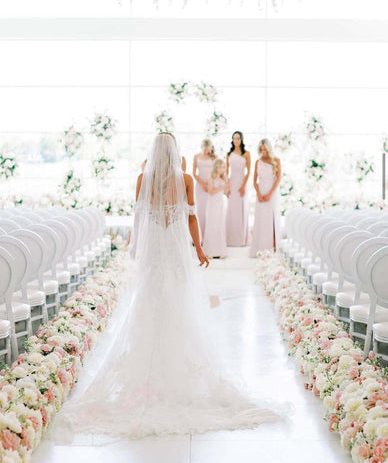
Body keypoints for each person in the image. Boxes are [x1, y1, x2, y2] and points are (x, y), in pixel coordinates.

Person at [48, 133, 289, 441]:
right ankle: (178, 375)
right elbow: (191, 218)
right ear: (175, 153)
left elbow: (140, 221)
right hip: (175, 252)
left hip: (155, 252)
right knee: (179, 305)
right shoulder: (185, 179)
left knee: (150, 305)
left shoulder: (142, 179)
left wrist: (137, 250)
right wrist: (199, 249)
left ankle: (149, 379)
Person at [250, 138, 282, 257]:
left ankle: (272, 248)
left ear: (269, 148)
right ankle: (261, 248)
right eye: (261, 149)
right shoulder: (258, 161)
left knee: (271, 219)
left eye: (265, 149)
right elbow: (254, 180)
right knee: (261, 219)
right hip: (261, 192)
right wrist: (258, 193)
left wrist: (269, 194)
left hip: (272, 193)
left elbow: (278, 178)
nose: (263, 151)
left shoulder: (276, 160)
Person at [226, 131, 251, 246]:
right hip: (232, 183)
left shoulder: (246, 154)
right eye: (234, 138)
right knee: (232, 210)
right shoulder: (229, 154)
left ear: (241, 140)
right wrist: (227, 187)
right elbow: (226, 172)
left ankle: (241, 239)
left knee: (242, 209)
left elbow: (248, 172)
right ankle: (232, 239)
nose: (236, 140)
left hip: (242, 183)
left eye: (238, 138)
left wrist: (243, 186)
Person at [203, 159, 229, 259]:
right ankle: (210, 251)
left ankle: (220, 250)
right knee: (212, 225)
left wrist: (225, 184)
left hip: (220, 203)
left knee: (220, 225)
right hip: (212, 203)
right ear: (216, 167)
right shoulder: (211, 178)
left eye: (224, 167)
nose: (222, 169)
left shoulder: (224, 178)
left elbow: (226, 191)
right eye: (221, 167)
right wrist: (223, 187)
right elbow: (211, 192)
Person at [192, 138, 217, 238]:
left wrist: (209, 184)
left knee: (210, 209)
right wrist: (203, 184)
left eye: (209, 149)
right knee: (200, 209)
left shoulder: (214, 157)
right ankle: (199, 235)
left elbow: (217, 172)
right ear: (202, 147)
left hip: (211, 185)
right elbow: (194, 173)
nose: (207, 151)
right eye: (205, 148)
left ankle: (210, 236)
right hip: (200, 186)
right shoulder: (196, 156)